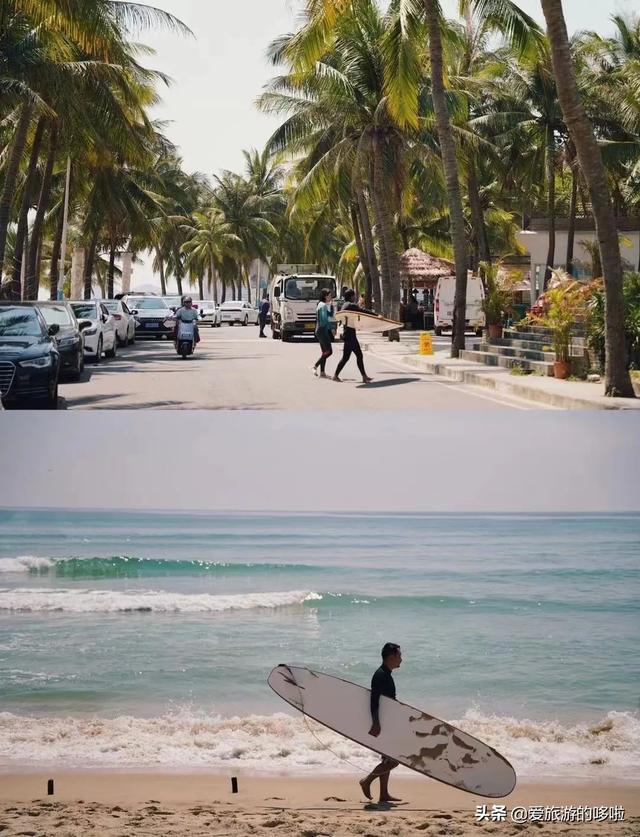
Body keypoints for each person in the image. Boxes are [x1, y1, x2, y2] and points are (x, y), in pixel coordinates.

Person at [359, 643, 403, 804]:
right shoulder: (380, 675)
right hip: (382, 724)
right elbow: (374, 701)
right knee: (393, 760)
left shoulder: (386, 674)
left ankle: (383, 794)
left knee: (387, 759)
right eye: (399, 656)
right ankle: (367, 781)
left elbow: (387, 701)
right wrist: (376, 723)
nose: (401, 659)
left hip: (386, 723)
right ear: (391, 657)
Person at [333, 289, 373, 384]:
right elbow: (363, 311)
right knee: (356, 356)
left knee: (349, 357)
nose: (355, 297)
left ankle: (363, 376)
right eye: (354, 296)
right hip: (350, 335)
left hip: (348, 334)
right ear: (351, 297)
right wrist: (376, 315)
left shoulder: (344, 305)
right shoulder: (351, 305)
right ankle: (363, 377)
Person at [313, 288, 335, 378]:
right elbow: (323, 320)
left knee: (324, 352)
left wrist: (332, 306)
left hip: (319, 330)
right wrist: (331, 328)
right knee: (329, 351)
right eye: (329, 295)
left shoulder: (322, 305)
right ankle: (315, 366)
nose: (331, 297)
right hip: (322, 330)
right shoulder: (322, 306)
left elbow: (329, 314)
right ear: (325, 296)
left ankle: (322, 372)